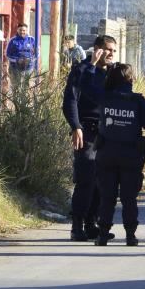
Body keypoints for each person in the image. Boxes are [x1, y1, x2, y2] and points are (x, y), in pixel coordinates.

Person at [94, 64, 145, 246]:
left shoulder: (104, 97)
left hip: (106, 153)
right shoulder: (137, 100)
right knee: (129, 198)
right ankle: (130, 235)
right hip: (131, 155)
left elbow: (87, 88)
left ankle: (102, 234)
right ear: (130, 79)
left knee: (107, 196)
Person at [62, 35, 117, 241]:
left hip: (108, 133)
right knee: (85, 179)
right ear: (96, 50)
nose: (110, 54)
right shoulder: (82, 70)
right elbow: (70, 101)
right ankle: (77, 225)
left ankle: (92, 223)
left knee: (102, 181)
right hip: (87, 131)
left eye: (113, 50)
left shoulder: (113, 72)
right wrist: (76, 127)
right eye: (107, 50)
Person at [7, 23, 37, 94]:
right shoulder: (12, 41)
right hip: (15, 68)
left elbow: (37, 53)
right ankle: (16, 104)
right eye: (20, 30)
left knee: (27, 88)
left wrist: (29, 60)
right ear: (17, 30)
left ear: (26, 30)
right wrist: (17, 60)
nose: (22, 32)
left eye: (24, 30)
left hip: (28, 68)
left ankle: (25, 104)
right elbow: (8, 55)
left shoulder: (32, 40)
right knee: (15, 88)